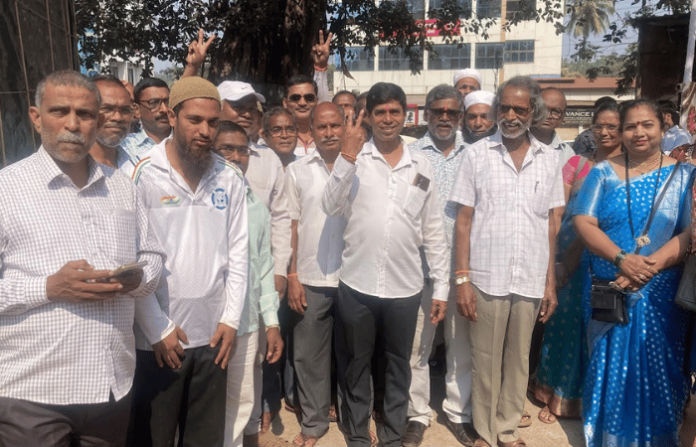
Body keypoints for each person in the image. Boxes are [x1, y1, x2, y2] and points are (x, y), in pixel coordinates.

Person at [0, 69, 164, 446]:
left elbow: (153, 256)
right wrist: (48, 288)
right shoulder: (6, 190)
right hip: (32, 394)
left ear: (98, 121)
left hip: (111, 387)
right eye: (60, 111)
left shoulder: (122, 187)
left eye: (86, 114)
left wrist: (136, 279)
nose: (73, 125)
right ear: (36, 117)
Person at [322, 82, 449, 447]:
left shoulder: (421, 166)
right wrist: (346, 157)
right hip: (357, 284)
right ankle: (358, 435)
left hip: (405, 288)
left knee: (398, 366)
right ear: (369, 116)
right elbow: (330, 206)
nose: (388, 119)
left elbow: (433, 229)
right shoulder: (354, 159)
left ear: (405, 115)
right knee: (356, 364)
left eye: (395, 111)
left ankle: (393, 436)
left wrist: (441, 286)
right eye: (380, 112)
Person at [130, 76, 248, 447]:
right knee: (154, 438)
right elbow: (134, 262)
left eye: (212, 122)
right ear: (172, 116)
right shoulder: (144, 174)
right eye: (194, 120)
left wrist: (231, 319)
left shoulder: (229, 177)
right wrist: (156, 328)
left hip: (214, 337)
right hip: (161, 339)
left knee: (204, 439)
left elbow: (239, 254)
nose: (205, 131)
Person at [573, 98, 695, 447]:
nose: (639, 132)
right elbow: (584, 221)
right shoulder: (602, 172)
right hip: (610, 286)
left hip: (661, 293)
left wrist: (647, 267)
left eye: (647, 125)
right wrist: (621, 259)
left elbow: (689, 232)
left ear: (663, 127)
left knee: (662, 368)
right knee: (609, 367)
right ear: (622, 132)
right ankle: (610, 439)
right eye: (630, 126)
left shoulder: (684, 175)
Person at [450, 76, 563, 447]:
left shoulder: (549, 159)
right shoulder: (476, 154)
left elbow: (551, 224)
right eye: (505, 107)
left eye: (520, 109)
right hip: (487, 275)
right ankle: (484, 431)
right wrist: (462, 279)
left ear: (533, 112)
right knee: (484, 357)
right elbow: (463, 220)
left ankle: (508, 429)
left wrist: (549, 283)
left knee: (519, 359)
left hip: (530, 276)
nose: (511, 116)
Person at [531, 101, 623, 425]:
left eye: (612, 126)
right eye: (599, 126)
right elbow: (557, 212)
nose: (605, 132)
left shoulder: (630, 169)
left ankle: (594, 400)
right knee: (565, 324)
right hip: (571, 257)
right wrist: (555, 258)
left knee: (601, 328)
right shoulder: (577, 164)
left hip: (609, 259)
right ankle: (557, 394)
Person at [401, 85, 476, 447]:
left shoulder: (476, 156)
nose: (444, 118)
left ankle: (458, 413)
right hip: (419, 269)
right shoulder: (411, 155)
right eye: (438, 111)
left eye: (452, 112)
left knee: (461, 347)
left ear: (461, 117)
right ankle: (417, 414)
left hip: (462, 269)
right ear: (426, 113)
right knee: (417, 347)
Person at [210, 121, 284, 447]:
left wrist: (272, 323)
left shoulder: (256, 206)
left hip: (248, 322)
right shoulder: (200, 201)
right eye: (227, 149)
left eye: (243, 150)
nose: (236, 157)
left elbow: (264, 268)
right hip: (209, 324)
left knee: (241, 402)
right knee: (207, 405)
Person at [285, 102, 348, 447]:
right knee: (309, 357)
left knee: (355, 355)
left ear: (345, 126)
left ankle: (355, 421)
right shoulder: (297, 170)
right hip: (310, 277)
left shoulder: (363, 167)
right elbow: (291, 225)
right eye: (321, 127)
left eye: (335, 125)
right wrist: (293, 274)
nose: (329, 133)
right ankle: (313, 423)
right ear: (311, 130)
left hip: (355, 277)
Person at [89, 75, 137, 169]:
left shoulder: (137, 166)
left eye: (125, 110)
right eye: (107, 109)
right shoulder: (71, 170)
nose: (117, 117)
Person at [122, 77, 171, 158]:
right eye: (154, 103)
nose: (164, 109)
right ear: (137, 110)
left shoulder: (185, 140)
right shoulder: (125, 147)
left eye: (167, 102)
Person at [531, 87, 575, 168]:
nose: (548, 115)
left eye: (555, 111)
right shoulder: (514, 145)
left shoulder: (567, 154)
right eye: (543, 109)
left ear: (563, 115)